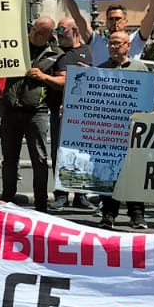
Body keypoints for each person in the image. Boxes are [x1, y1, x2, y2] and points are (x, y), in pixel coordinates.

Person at [95, 30, 154, 230]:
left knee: (134, 174)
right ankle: (108, 214)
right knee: (108, 174)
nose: (114, 47)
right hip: (109, 133)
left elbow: (151, 99)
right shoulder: (101, 70)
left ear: (128, 46)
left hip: (134, 133)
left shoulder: (140, 68)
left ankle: (137, 215)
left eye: (119, 43)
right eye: (111, 43)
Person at [0, 17, 62, 211]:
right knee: (9, 158)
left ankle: (41, 202)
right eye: (33, 29)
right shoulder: (16, 46)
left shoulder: (56, 55)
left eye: (40, 32)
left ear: (49, 35)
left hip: (37, 112)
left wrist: (43, 76)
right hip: (10, 110)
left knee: (40, 158)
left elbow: (63, 81)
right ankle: (7, 198)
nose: (34, 34)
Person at [43, 15, 97, 210]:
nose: (58, 34)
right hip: (58, 111)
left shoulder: (86, 52)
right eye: (57, 30)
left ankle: (81, 194)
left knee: (81, 154)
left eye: (61, 30)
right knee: (59, 153)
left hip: (82, 113)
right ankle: (61, 194)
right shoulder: (55, 52)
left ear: (74, 31)